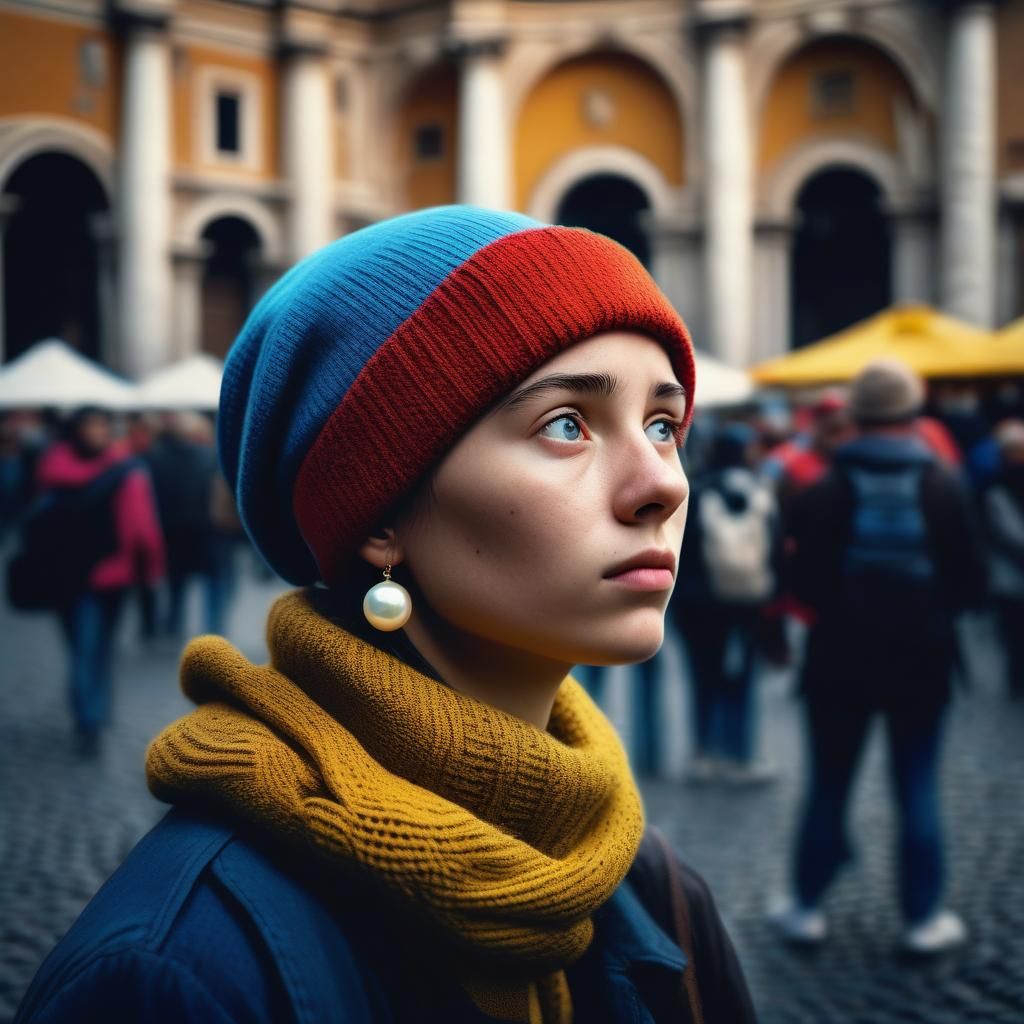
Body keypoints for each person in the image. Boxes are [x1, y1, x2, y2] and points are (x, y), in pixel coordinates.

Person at [16, 207, 755, 1023]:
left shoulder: (656, 888)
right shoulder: (173, 978)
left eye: (662, 424)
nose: (664, 484)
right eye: (568, 425)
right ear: (377, 518)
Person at [772, 358, 987, 954]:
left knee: (827, 786)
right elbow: (971, 586)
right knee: (916, 785)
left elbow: (803, 586)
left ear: (856, 416)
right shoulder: (943, 484)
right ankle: (922, 920)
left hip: (837, 664)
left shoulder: (826, 488)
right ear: (913, 412)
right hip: (924, 663)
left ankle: (807, 910)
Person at [31, 408, 164, 751]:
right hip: (104, 573)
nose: (103, 430)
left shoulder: (51, 467)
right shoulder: (127, 471)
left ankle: (89, 710)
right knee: (94, 647)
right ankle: (91, 715)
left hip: (67, 572)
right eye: (97, 424)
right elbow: (142, 529)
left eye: (106, 424)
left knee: (82, 645)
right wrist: (150, 571)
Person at [673, 422, 780, 782]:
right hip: (746, 604)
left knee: (702, 677)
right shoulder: (760, 491)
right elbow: (777, 548)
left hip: (698, 604)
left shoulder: (698, 491)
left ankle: (702, 753)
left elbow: (682, 551)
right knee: (742, 678)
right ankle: (740, 756)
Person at [982, 419, 1024, 699]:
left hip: (1008, 575)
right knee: (1016, 636)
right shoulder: (995, 487)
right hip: (1010, 576)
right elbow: (1008, 532)